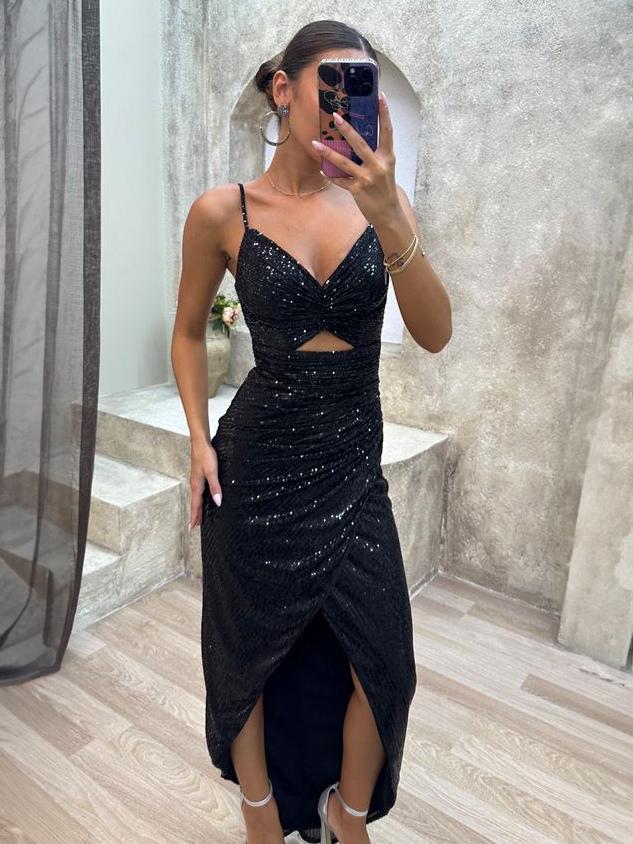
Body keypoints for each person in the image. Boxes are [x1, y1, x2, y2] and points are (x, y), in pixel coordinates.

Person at [171, 19, 451, 844]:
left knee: (384, 660)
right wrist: (197, 439)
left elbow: (435, 333)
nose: (341, 104)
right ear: (282, 88)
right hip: (256, 461)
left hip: (352, 463)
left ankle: (345, 813)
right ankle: (260, 813)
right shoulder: (222, 211)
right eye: (329, 83)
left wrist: (388, 212)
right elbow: (186, 332)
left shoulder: (379, 202)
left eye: (358, 88)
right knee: (248, 651)